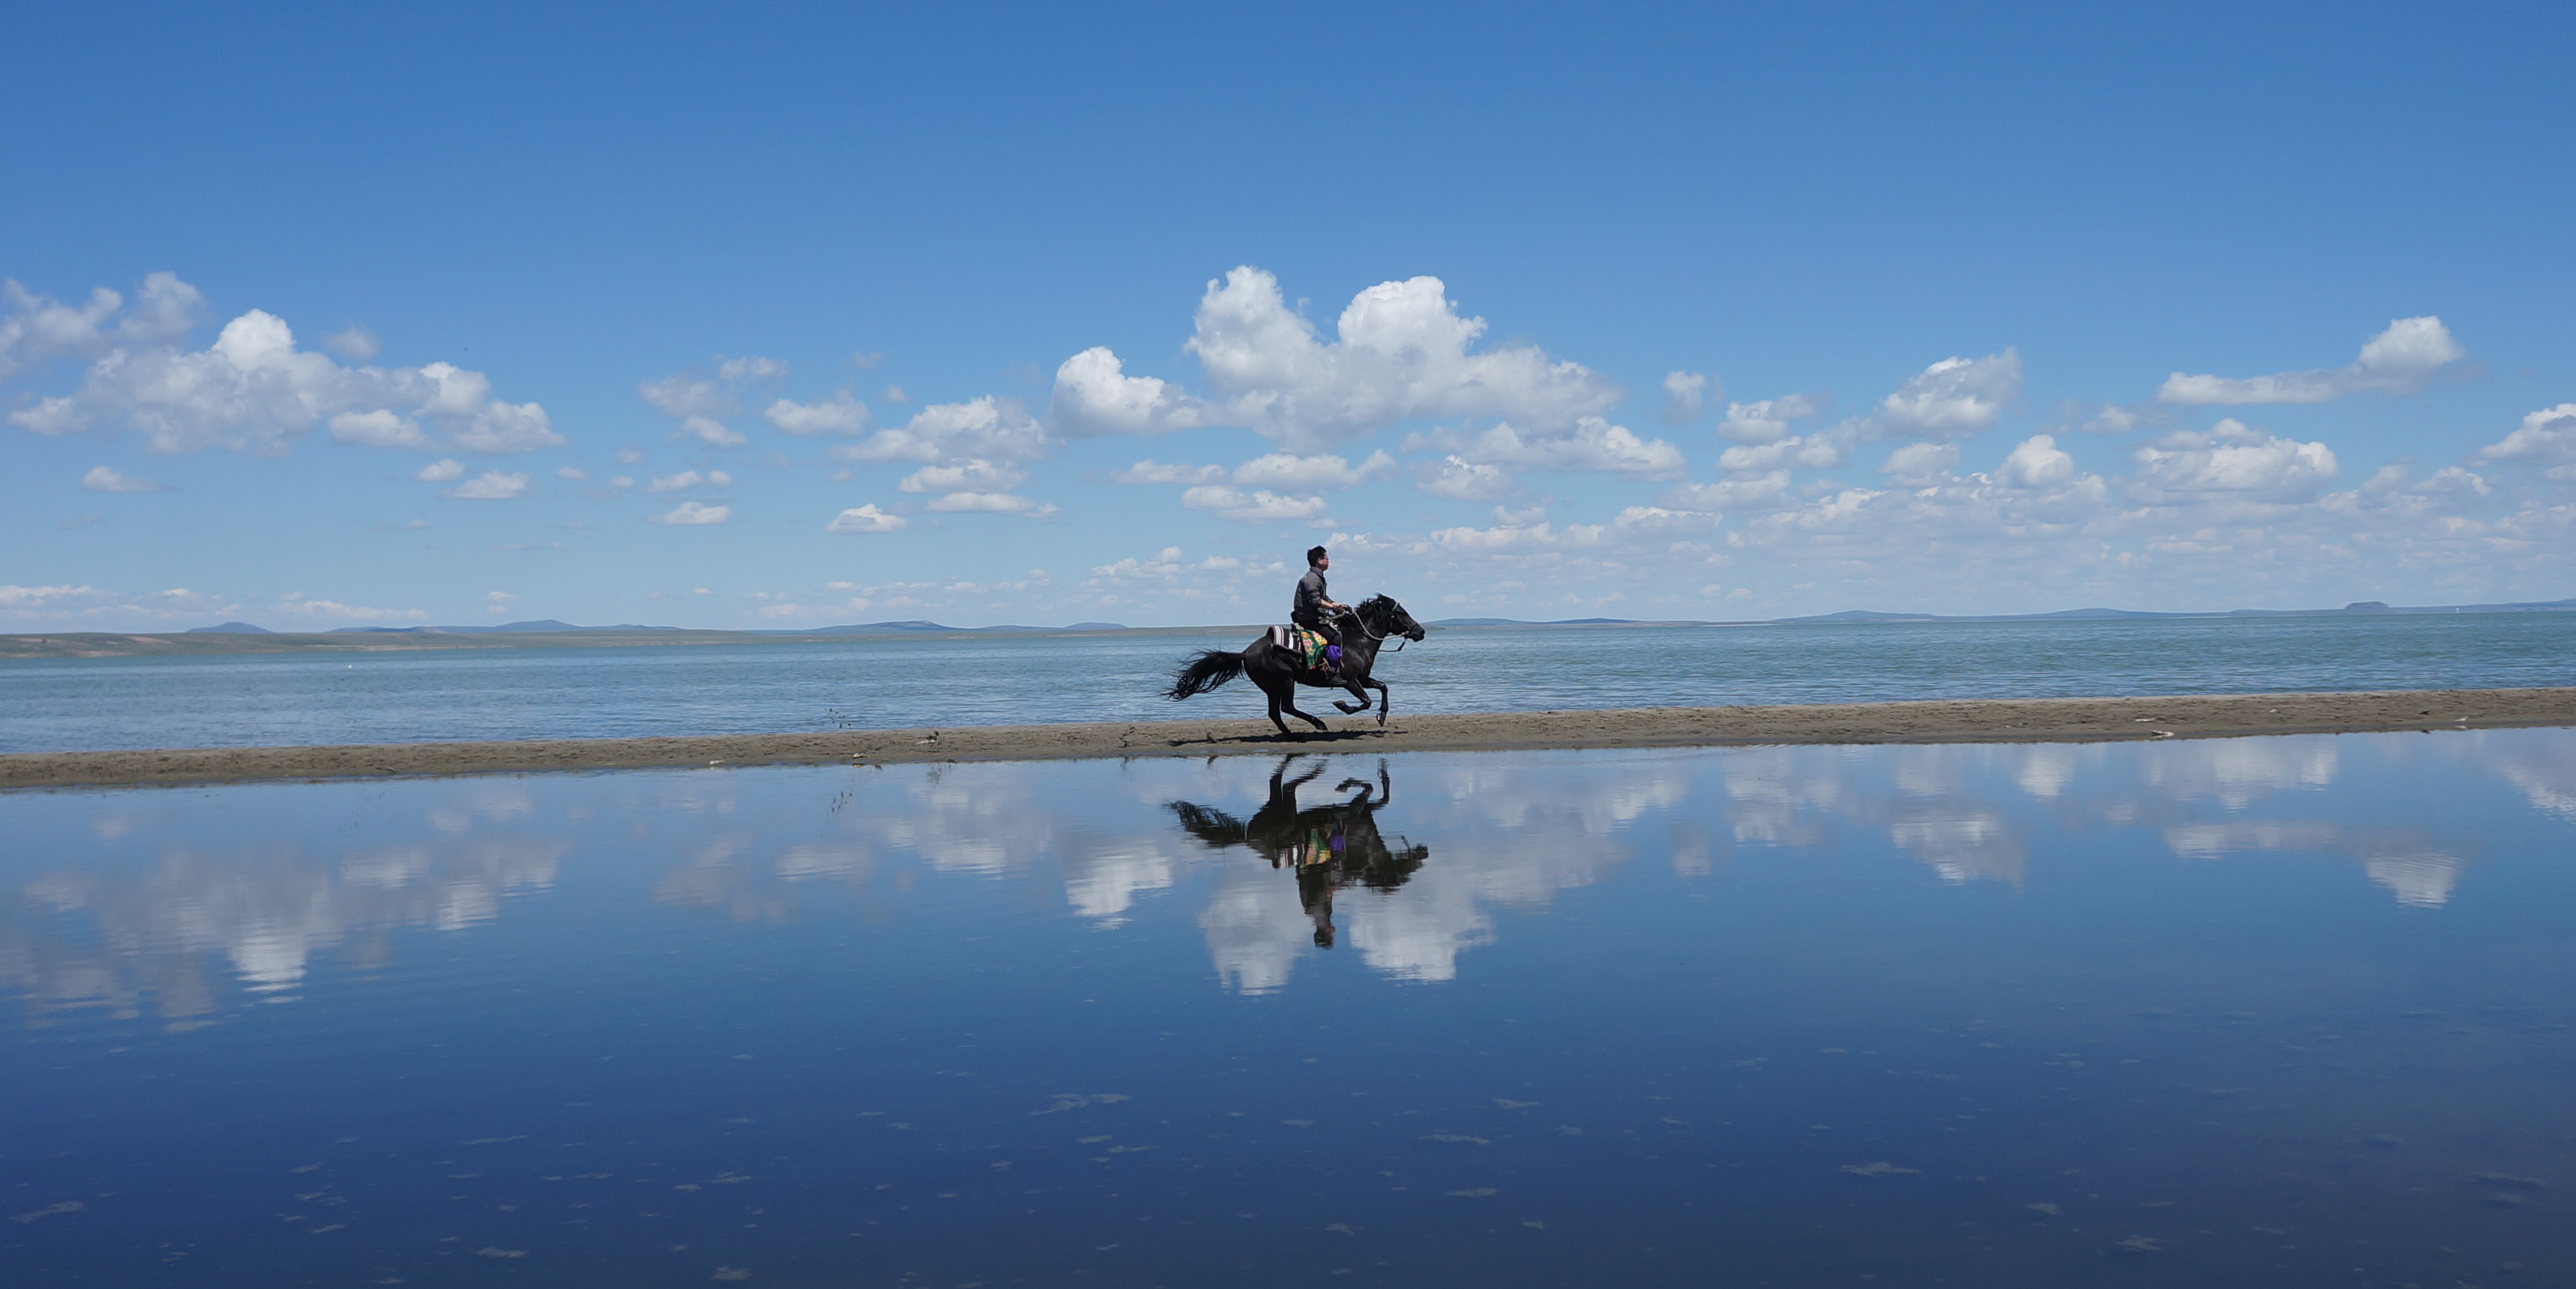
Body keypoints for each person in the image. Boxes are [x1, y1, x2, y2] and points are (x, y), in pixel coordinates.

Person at [1290, 545, 1348, 679]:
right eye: (1327, 558)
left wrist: (1337, 605)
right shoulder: (1312, 579)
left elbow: (1324, 598)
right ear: (1320, 561)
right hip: (1310, 618)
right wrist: (1332, 608)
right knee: (1337, 638)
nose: (1329, 561)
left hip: (1314, 616)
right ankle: (1332, 671)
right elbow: (1315, 601)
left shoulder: (1318, 577)